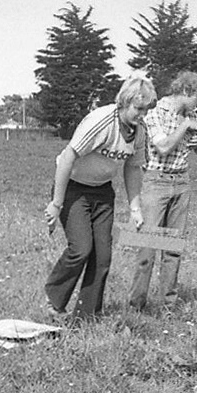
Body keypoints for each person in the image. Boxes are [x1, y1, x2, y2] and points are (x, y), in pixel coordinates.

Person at [43, 75, 155, 319]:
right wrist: (56, 203)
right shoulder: (102, 121)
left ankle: (87, 314)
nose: (142, 114)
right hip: (73, 188)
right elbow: (68, 157)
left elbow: (133, 168)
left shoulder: (139, 131)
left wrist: (135, 209)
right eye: (138, 108)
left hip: (102, 191)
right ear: (124, 102)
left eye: (145, 109)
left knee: (102, 256)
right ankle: (54, 299)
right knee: (81, 249)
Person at [126, 71, 197, 312]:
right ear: (185, 92)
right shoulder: (155, 112)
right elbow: (163, 146)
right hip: (156, 183)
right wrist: (185, 126)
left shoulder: (192, 114)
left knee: (173, 249)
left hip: (181, 181)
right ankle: (136, 307)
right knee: (147, 249)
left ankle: (168, 305)